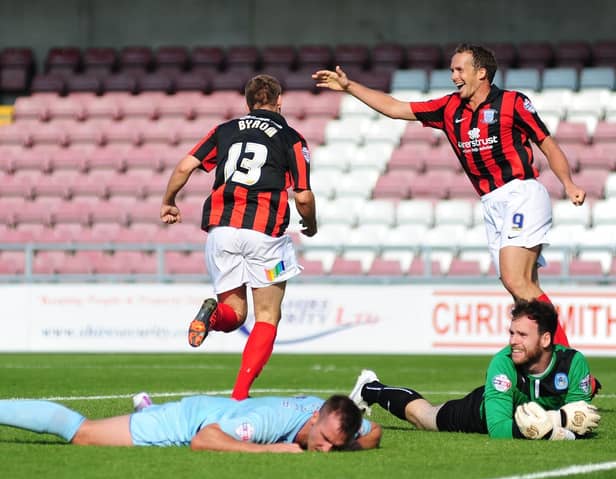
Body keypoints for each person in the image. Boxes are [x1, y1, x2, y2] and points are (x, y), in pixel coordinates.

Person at [312, 44, 583, 350]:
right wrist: (349, 87)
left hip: (521, 192)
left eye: (459, 69)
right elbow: (396, 107)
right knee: (523, 290)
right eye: (452, 69)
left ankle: (568, 363)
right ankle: (553, 366)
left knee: (516, 281)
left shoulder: (513, 103)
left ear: (481, 73)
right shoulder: (448, 108)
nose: (453, 75)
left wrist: (568, 183)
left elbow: (546, 143)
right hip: (491, 202)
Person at [160, 74, 318, 400]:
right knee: (267, 316)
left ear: (247, 103)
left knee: (234, 316)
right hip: (265, 236)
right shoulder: (291, 138)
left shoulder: (225, 130)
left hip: (222, 232)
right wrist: (310, 223)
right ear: (280, 101)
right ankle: (240, 395)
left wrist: (169, 202)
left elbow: (184, 166)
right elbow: (302, 196)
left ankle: (212, 315)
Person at [348, 299, 600, 440]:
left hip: (533, 421)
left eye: (522, 335)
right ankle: (371, 388)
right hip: (481, 413)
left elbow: (580, 417)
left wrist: (556, 424)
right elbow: (499, 429)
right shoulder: (503, 363)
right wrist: (557, 422)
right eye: (512, 333)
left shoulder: (573, 363)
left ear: (546, 340)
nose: (513, 340)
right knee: (425, 418)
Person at [0, 393, 381, 453]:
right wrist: (274, 451)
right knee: (82, 434)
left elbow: (374, 430)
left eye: (336, 444)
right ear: (314, 418)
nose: (326, 448)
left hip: (208, 408)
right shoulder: (267, 422)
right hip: (185, 422)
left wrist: (353, 445)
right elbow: (204, 440)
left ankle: (145, 409)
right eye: (325, 440)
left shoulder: (338, 416)